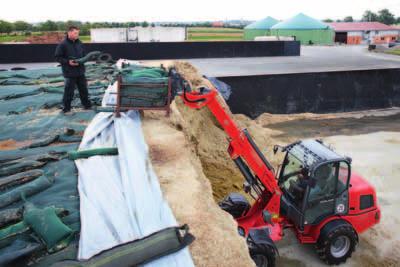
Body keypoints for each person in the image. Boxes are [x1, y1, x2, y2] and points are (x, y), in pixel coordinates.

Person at [55, 26, 91, 114]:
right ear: (69, 33)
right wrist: (68, 62)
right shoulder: (63, 44)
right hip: (69, 72)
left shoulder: (80, 43)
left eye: (78, 33)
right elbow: (57, 57)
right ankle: (66, 109)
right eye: (75, 33)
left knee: (84, 90)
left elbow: (84, 55)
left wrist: (82, 60)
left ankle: (87, 105)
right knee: (69, 92)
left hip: (80, 71)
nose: (77, 35)